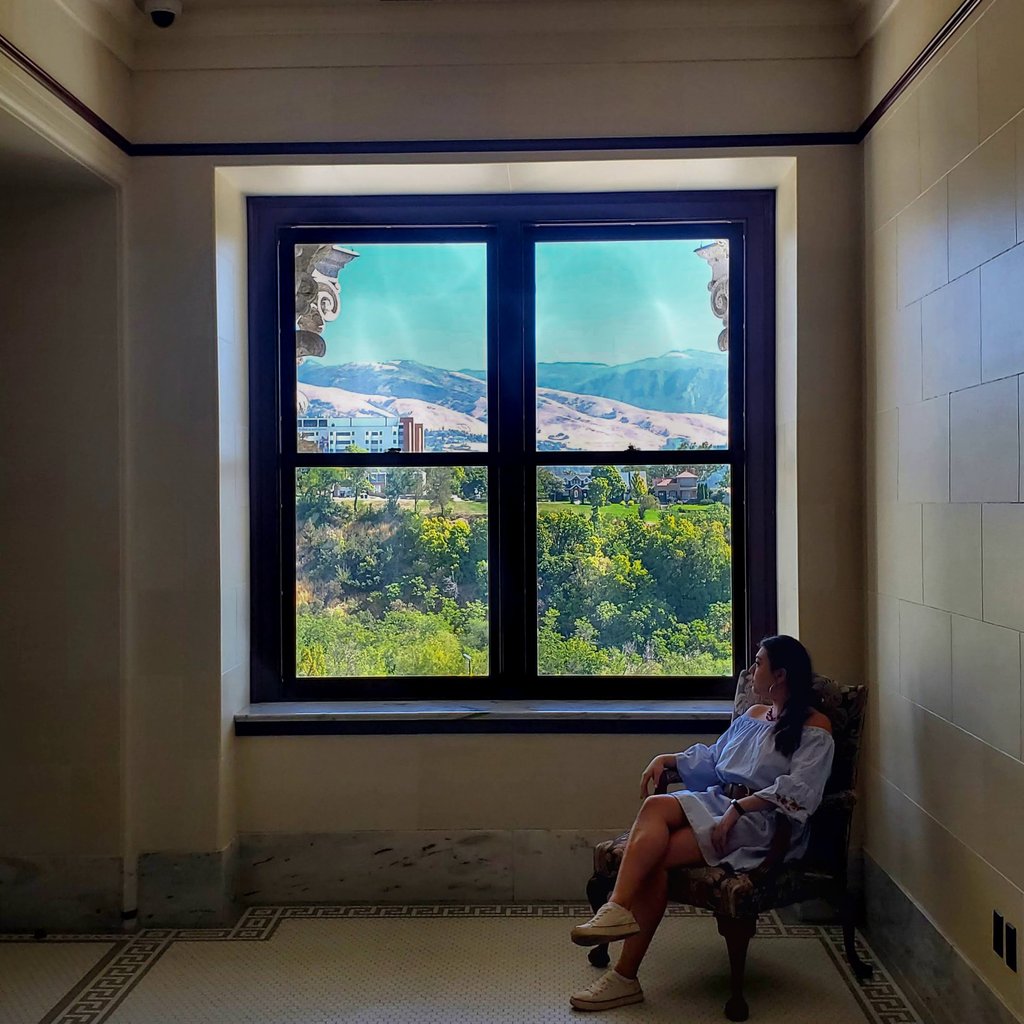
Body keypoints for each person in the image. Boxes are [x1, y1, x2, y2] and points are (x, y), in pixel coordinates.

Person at [567, 635, 834, 1012]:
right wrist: (668, 758)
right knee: (656, 805)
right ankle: (617, 909)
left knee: (654, 861)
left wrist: (740, 809)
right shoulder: (754, 716)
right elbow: (715, 759)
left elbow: (801, 790)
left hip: (761, 823)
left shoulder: (815, 727)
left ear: (781, 675)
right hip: (721, 802)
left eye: (759, 663)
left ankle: (624, 976)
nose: (751, 670)